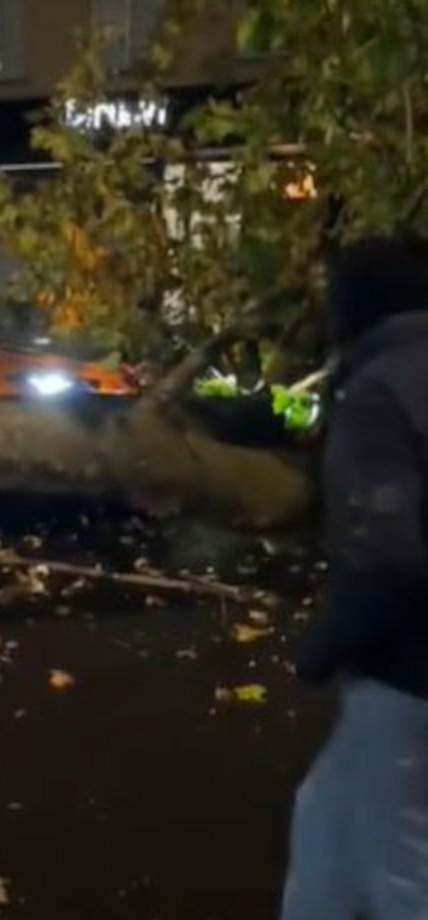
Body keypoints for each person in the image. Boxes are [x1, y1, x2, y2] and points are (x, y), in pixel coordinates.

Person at [280, 235, 428, 920]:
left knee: (401, 870)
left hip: (407, 674)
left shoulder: (376, 392)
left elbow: (386, 555)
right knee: (325, 820)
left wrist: (325, 645)